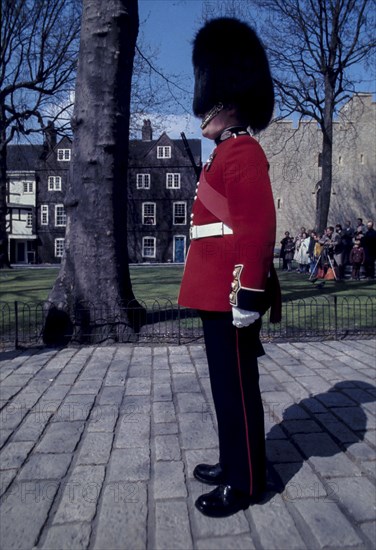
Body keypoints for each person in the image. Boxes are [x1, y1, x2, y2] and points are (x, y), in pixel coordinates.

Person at [178, 17, 281, 518]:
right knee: (225, 387)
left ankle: (246, 482)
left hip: (230, 294)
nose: (204, 112)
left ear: (231, 99)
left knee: (237, 387)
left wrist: (247, 295)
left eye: (211, 101)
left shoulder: (244, 153)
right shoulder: (225, 154)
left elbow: (256, 229)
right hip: (213, 291)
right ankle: (232, 459)